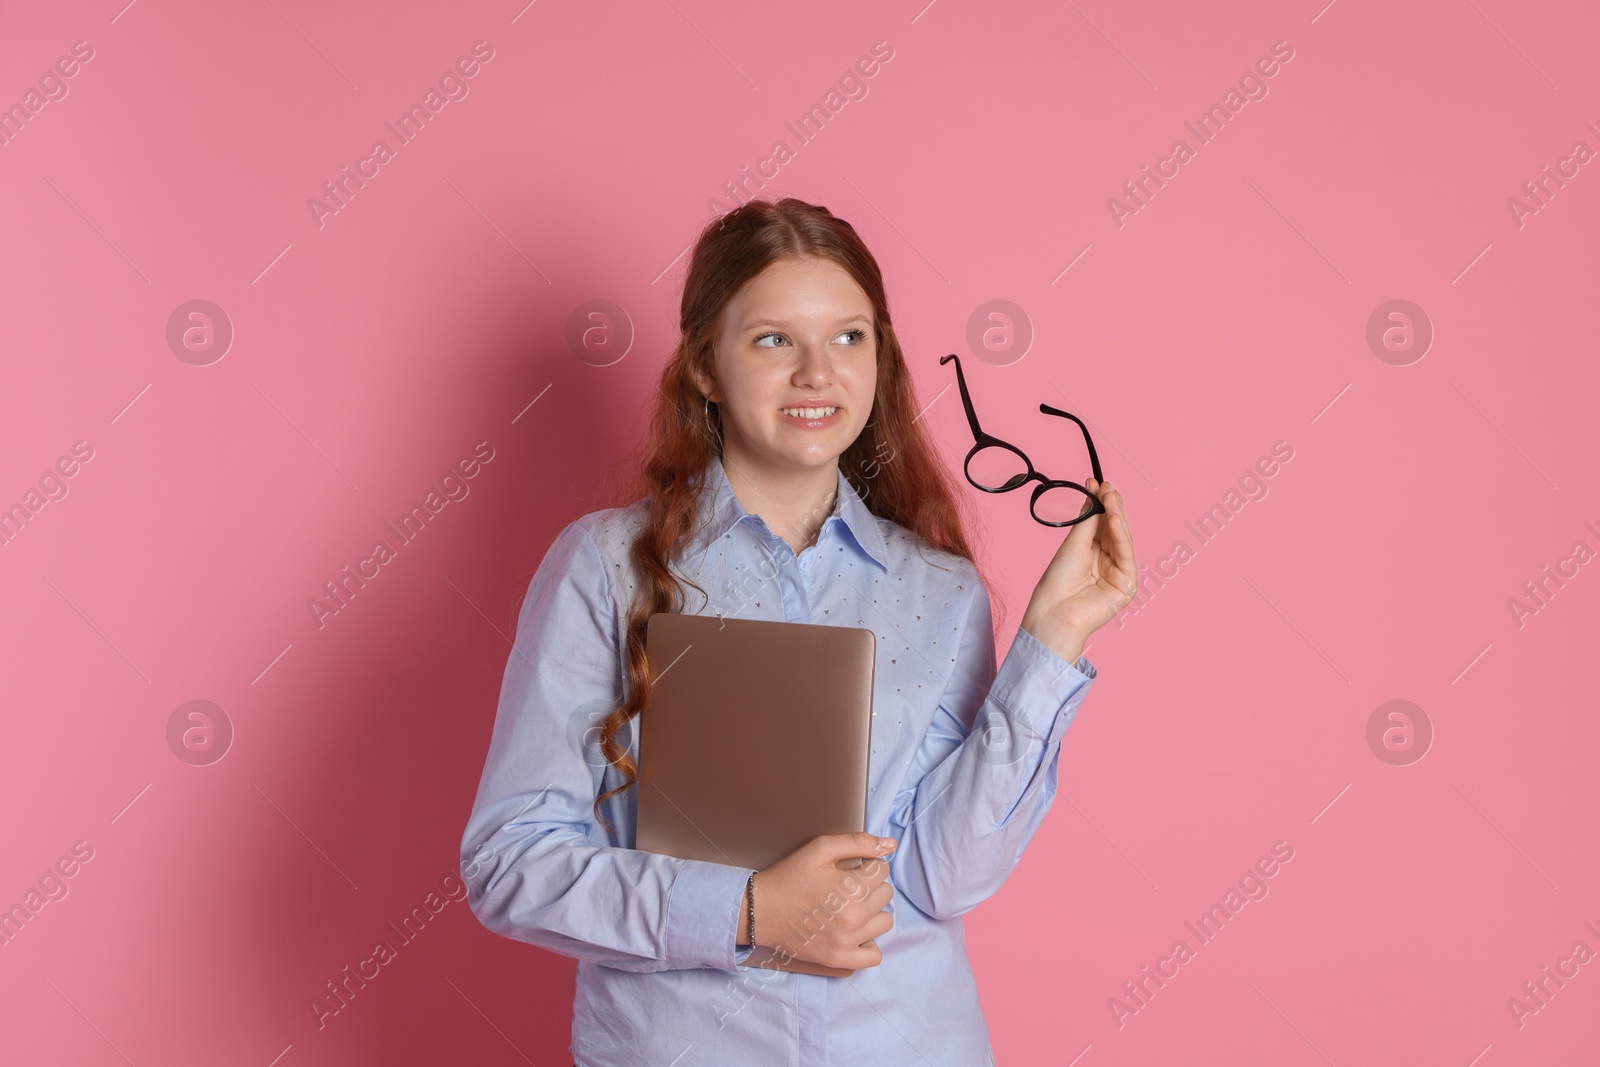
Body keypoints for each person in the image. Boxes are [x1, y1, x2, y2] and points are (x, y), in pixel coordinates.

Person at [459, 197, 1137, 1066]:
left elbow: (943, 874)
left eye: (849, 338)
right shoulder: (603, 567)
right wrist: (745, 913)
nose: (819, 372)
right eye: (775, 339)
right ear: (706, 366)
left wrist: (1053, 639)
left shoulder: (940, 589)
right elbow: (512, 860)